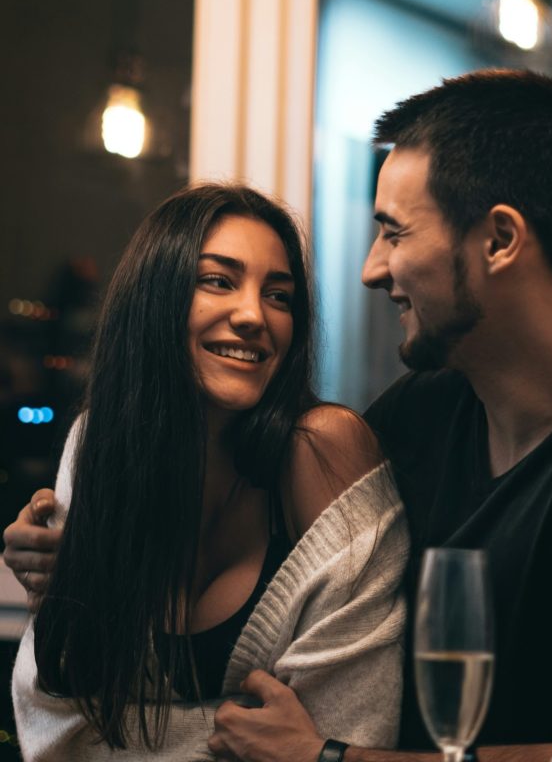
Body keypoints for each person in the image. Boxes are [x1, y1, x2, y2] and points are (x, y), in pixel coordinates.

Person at [8, 67, 552, 762]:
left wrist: (327, 759)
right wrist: (91, 563)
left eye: (394, 233)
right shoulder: (424, 415)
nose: (370, 269)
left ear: (499, 239)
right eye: (215, 280)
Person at [7, 183, 408, 761]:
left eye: (279, 295)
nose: (253, 316)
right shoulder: (99, 443)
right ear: (155, 297)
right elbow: (55, 720)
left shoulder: (324, 450)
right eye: (217, 280)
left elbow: (353, 732)